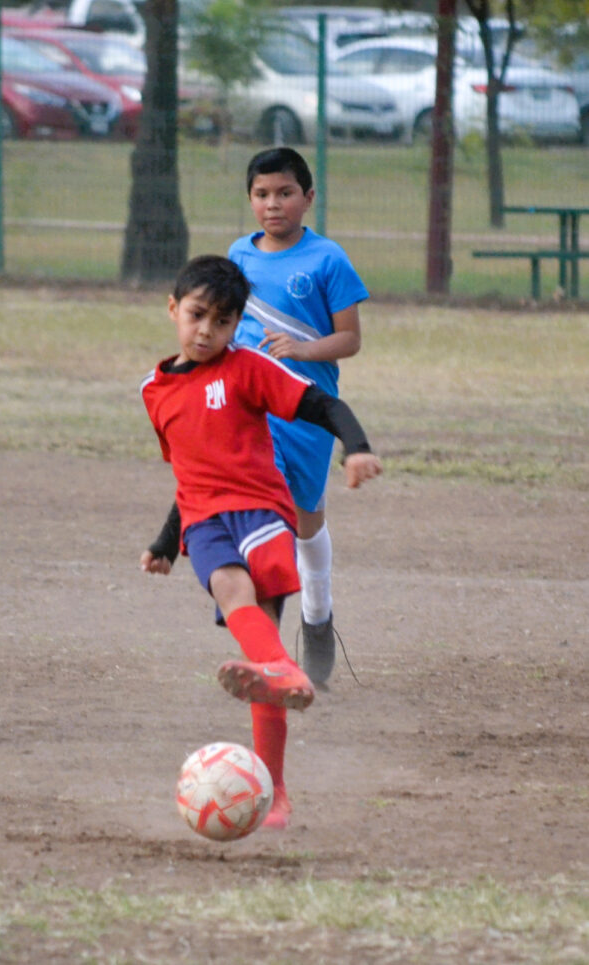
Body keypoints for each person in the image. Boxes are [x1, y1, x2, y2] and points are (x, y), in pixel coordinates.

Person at [140, 255, 381, 830]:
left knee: (259, 651)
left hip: (263, 513)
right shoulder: (154, 390)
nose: (206, 331)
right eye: (197, 315)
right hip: (204, 521)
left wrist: (358, 447)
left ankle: (276, 784)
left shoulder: (247, 369)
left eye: (222, 322)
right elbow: (188, 472)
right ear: (173, 309)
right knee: (233, 596)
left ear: (237, 325)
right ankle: (283, 683)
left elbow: (324, 405)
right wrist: (168, 542)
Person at [227, 147, 368, 688]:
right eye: (262, 194)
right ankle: (270, 657)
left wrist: (301, 351)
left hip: (307, 410)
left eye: (285, 193)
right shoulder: (239, 254)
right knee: (271, 519)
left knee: (306, 520)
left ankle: (318, 617)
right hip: (252, 411)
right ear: (250, 200)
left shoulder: (328, 259)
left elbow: (349, 339)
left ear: (308, 198)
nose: (273, 204)